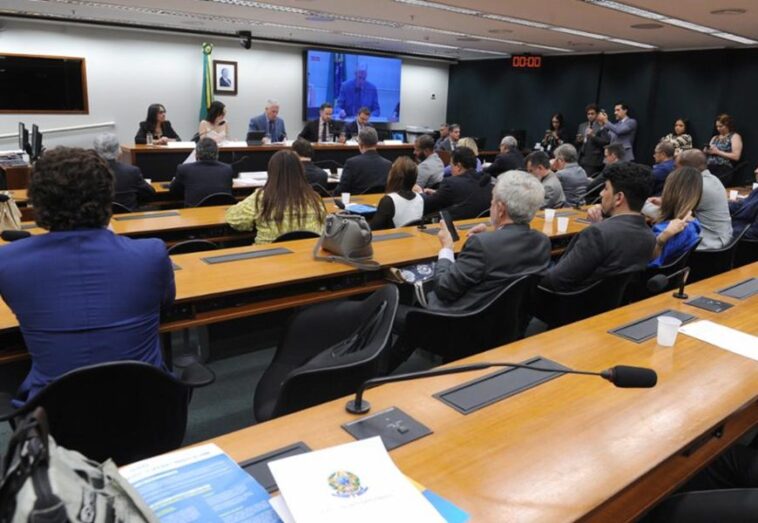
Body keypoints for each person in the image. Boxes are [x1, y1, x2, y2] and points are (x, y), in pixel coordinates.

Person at [0, 147, 174, 404]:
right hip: (149, 407)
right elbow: (165, 305)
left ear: (37, 202)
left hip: (53, 415)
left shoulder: (7, 262)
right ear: (108, 196)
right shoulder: (152, 253)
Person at [409, 170, 550, 313]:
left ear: (500, 209)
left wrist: (447, 248)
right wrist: (491, 236)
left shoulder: (481, 245)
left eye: (492, 200)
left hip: (459, 319)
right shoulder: (542, 242)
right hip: (510, 318)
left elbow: (444, 289)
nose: (491, 204)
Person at [541, 162, 656, 292]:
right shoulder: (650, 236)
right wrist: (601, 224)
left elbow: (555, 280)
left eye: (606, 189)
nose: (601, 194)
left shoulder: (597, 234)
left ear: (619, 198)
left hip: (568, 300)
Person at [225, 150, 326, 244]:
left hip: (269, 254)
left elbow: (235, 220)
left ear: (271, 171)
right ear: (300, 171)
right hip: (308, 253)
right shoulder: (315, 198)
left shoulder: (262, 197)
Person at [675, 149, 732, 250]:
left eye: (677, 167)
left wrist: (646, 206)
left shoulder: (698, 186)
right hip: (723, 238)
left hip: (709, 243)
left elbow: (674, 213)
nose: (675, 172)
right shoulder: (713, 179)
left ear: (686, 169)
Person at [649, 167, 702, 268]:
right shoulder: (694, 223)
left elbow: (650, 265)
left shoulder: (665, 231)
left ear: (669, 192)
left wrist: (661, 240)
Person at [422, 146, 492, 220]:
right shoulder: (487, 181)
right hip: (483, 225)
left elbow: (429, 204)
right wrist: (437, 192)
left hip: (456, 226)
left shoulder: (450, 183)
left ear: (458, 166)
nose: (450, 169)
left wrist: (420, 193)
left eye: (451, 165)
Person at [93, 133, 154, 210]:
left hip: (100, 216)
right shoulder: (131, 171)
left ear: (96, 151)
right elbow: (149, 193)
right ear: (118, 150)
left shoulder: (89, 173)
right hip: (129, 215)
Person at [169, 138, 234, 207]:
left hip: (194, 212)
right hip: (220, 211)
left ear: (196, 153)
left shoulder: (184, 169)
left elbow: (174, 191)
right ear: (217, 153)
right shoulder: (227, 169)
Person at [369, 157, 424, 230]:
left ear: (394, 176)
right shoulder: (420, 198)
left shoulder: (388, 201)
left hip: (391, 237)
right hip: (414, 236)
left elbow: (373, 230)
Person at [335, 127, 391, 194]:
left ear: (360, 144)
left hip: (357, 200)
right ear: (376, 143)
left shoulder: (351, 163)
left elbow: (341, 191)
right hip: (380, 200)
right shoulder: (388, 164)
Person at [705, 113, 743, 186]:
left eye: (721, 126)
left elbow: (736, 156)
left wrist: (718, 152)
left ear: (727, 125)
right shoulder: (715, 138)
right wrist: (707, 151)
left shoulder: (734, 136)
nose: (718, 128)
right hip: (709, 166)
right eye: (717, 126)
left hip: (723, 168)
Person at [577, 104, 610, 177]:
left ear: (597, 114)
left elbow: (606, 142)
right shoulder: (582, 125)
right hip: (580, 158)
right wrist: (579, 140)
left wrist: (593, 136)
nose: (590, 116)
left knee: (588, 181)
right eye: (588, 114)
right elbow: (578, 142)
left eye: (592, 114)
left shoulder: (602, 126)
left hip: (593, 160)